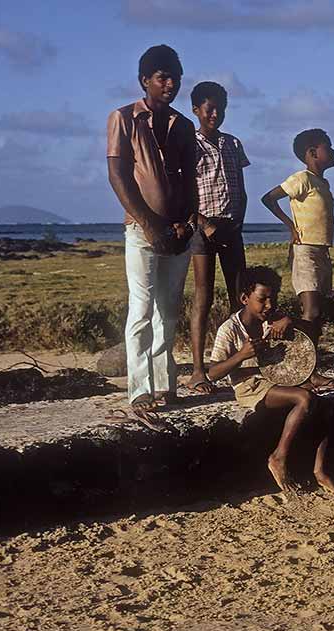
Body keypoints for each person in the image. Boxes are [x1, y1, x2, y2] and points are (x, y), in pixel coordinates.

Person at [107, 44, 197, 425]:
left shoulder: (184, 124)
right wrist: (148, 223)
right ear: (145, 80)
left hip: (178, 231)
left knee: (169, 311)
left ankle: (165, 382)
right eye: (162, 77)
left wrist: (186, 223)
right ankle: (140, 388)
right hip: (141, 230)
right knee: (141, 310)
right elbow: (119, 176)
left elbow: (191, 179)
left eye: (174, 77)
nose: (170, 84)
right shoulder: (124, 118)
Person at [208, 266, 334, 495]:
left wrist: (290, 320)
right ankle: (278, 458)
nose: (269, 305)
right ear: (244, 298)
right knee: (304, 398)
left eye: (272, 299)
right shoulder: (230, 329)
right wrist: (241, 356)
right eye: (262, 299)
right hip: (250, 387)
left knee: (324, 405)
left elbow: (310, 331)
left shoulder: (274, 319)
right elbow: (213, 373)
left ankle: (320, 470)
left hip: (278, 380)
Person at [261, 129, 334, 391]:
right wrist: (290, 225)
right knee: (310, 312)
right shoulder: (301, 178)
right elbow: (269, 198)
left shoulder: (322, 183)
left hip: (322, 252)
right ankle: (307, 374)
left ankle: (308, 370)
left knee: (317, 316)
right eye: (328, 146)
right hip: (305, 251)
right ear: (313, 153)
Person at [186, 80, 250, 394]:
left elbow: (241, 186)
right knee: (204, 295)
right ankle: (199, 370)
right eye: (209, 109)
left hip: (231, 226)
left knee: (240, 295)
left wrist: (239, 220)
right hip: (202, 228)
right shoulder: (190, 144)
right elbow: (183, 194)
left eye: (220, 109)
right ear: (196, 110)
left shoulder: (233, 143)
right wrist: (204, 224)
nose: (215, 115)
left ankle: (237, 365)